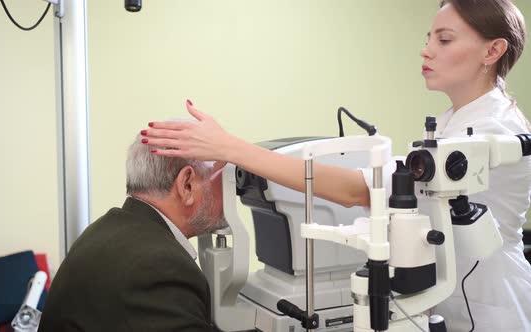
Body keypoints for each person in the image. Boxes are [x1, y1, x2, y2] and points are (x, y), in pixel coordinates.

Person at [141, 0, 531, 331]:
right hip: (448, 294)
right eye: (428, 38)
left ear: (492, 51)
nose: (426, 50)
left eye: (444, 39)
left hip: (490, 301)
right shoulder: (451, 121)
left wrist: (231, 147)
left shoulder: (494, 130)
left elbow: (359, 189)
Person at [38, 137, 227, 332]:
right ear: (186, 184)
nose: (231, 193)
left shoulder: (108, 230)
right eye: (223, 180)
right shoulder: (160, 267)